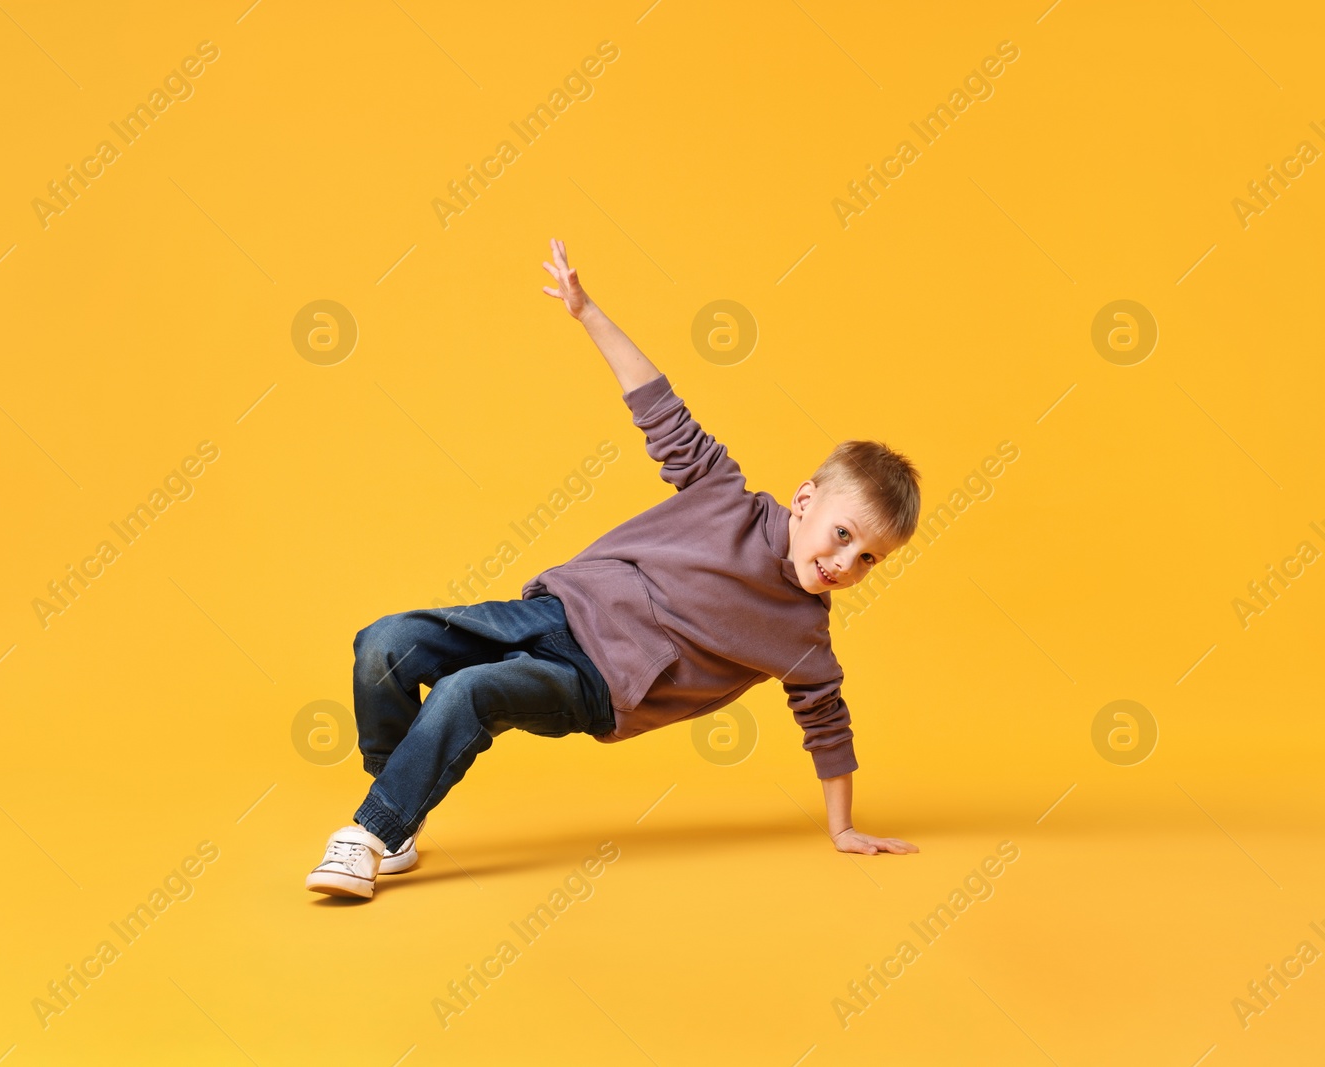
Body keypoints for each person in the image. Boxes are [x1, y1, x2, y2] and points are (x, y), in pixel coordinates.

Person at [306, 238, 921, 899]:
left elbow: (825, 721)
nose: (844, 564)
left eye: (867, 561)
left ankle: (367, 835)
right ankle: (395, 823)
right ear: (805, 501)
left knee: (467, 693)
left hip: (597, 682)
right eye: (842, 536)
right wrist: (586, 311)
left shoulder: (801, 634)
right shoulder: (722, 495)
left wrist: (843, 827)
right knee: (384, 644)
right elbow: (659, 407)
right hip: (554, 612)